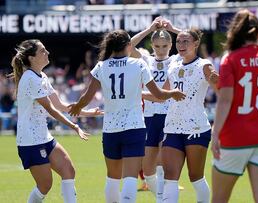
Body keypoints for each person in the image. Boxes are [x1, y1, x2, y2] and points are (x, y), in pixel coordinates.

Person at [68, 29, 185, 203]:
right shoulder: (138, 64)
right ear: (128, 45)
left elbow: (87, 96)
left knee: (112, 179)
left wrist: (77, 107)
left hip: (110, 129)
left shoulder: (102, 65)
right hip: (134, 127)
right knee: (130, 177)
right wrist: (173, 92)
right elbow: (159, 95)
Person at [9, 39, 100, 203]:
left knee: (68, 170)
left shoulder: (42, 76)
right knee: (45, 185)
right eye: (43, 51)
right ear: (31, 58)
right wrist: (74, 126)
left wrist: (86, 112)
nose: (47, 53)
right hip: (30, 141)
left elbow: (60, 105)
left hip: (44, 137)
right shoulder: (30, 78)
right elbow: (51, 109)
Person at [211, 9, 258, 203]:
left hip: (235, 135)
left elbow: (226, 99)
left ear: (235, 33)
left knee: (219, 199)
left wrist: (215, 132)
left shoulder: (231, 59)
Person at [154, 25, 218, 203]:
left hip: (196, 128)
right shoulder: (174, 64)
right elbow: (161, 95)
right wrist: (138, 93)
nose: (181, 45)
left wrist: (218, 80)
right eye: (178, 41)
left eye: (186, 41)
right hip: (172, 127)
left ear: (196, 43)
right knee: (170, 176)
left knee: (195, 177)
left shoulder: (204, 65)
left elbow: (221, 88)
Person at [130, 17, 182, 202]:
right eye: (157, 46)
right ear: (152, 44)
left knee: (162, 163)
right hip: (149, 116)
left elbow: (192, 42)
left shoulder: (176, 59)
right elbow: (128, 46)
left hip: (169, 114)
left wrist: (174, 29)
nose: (160, 50)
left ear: (170, 46)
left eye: (164, 46)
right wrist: (148, 29)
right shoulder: (145, 60)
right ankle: (161, 196)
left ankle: (164, 199)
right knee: (147, 168)